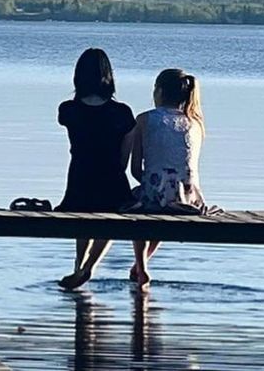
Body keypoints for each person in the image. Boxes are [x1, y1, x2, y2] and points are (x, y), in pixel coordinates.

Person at [55, 48, 136, 290]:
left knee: (83, 219)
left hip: (79, 181)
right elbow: (123, 159)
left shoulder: (68, 110)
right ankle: (88, 267)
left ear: (78, 77)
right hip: (113, 181)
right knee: (109, 220)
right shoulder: (122, 113)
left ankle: (78, 266)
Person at [126, 68, 208, 287]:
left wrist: (151, 183)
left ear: (159, 92)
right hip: (188, 199)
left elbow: (135, 169)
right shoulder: (196, 123)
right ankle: (140, 266)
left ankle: (141, 266)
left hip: (156, 195)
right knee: (166, 203)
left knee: (143, 204)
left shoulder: (144, 120)